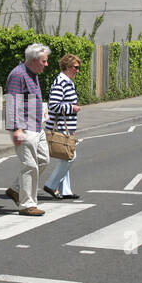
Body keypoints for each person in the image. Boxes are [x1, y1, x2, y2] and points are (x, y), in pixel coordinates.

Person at [4, 43, 50, 216]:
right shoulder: (18, 75)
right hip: (25, 128)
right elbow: (12, 102)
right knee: (30, 165)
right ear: (33, 60)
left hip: (37, 126)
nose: (47, 65)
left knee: (43, 160)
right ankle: (27, 205)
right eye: (44, 61)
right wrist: (16, 129)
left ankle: (16, 189)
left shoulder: (33, 73)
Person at [42, 54, 82, 201]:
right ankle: (51, 185)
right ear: (67, 67)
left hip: (67, 126)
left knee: (65, 157)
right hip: (59, 126)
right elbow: (53, 105)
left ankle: (65, 190)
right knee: (70, 156)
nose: (78, 71)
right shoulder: (61, 83)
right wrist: (72, 108)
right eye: (76, 67)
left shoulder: (67, 82)